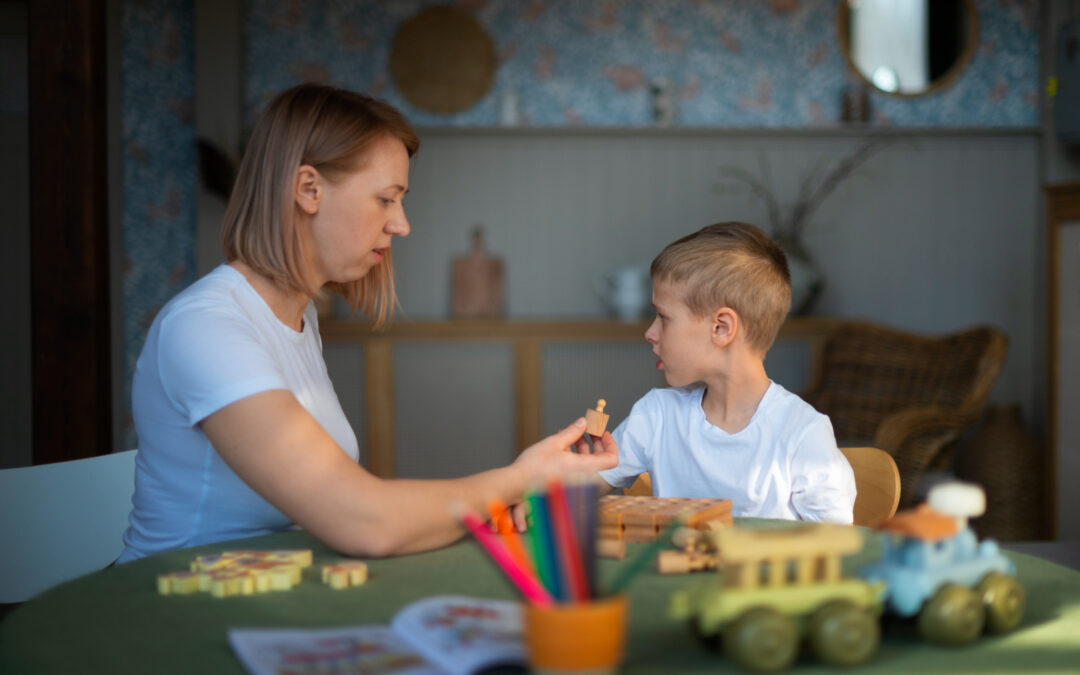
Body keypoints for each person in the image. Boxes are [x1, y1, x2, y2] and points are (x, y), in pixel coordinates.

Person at [117, 84, 617, 563]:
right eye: (385, 198)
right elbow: (366, 523)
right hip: (174, 603)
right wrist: (521, 479)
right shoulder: (207, 329)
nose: (402, 223)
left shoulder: (297, 315)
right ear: (308, 189)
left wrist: (501, 494)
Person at [597, 222, 855, 524]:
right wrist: (556, 470)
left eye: (663, 317)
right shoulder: (656, 416)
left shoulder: (802, 434)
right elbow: (575, 490)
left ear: (721, 328)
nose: (650, 333)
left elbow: (835, 548)